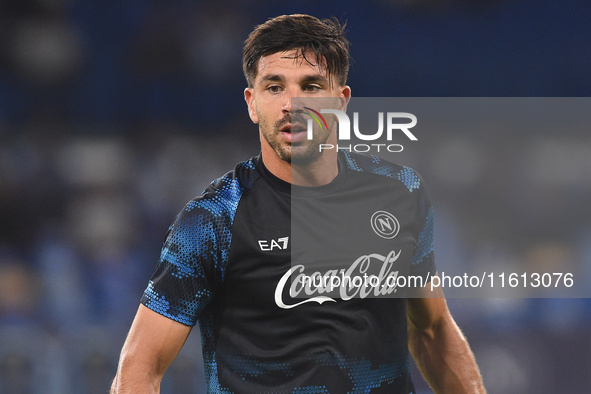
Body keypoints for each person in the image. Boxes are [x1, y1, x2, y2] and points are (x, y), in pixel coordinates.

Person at [111, 14, 486, 394]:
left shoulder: (399, 193)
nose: (292, 104)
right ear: (252, 103)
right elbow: (141, 366)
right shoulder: (212, 221)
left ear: (341, 101)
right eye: (274, 87)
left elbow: (431, 330)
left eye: (311, 86)